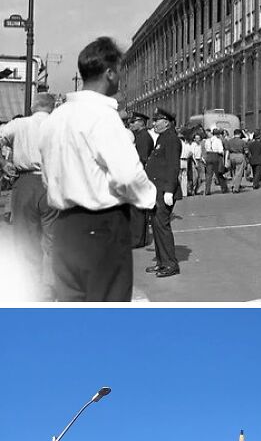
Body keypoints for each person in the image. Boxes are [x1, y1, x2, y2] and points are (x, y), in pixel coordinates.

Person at [39, 37, 156, 302]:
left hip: (65, 227)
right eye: (119, 72)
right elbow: (127, 175)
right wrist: (149, 198)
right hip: (102, 226)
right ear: (110, 73)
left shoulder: (55, 119)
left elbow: (48, 175)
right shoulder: (103, 116)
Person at [0, 92, 57, 298]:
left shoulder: (19, 124)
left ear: (33, 106)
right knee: (53, 239)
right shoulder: (61, 124)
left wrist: (3, 163)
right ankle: (51, 290)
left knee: (26, 239)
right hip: (54, 183)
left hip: (25, 182)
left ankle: (32, 288)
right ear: (52, 107)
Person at [145, 107, 181, 278]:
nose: (154, 123)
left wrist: (169, 190)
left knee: (162, 227)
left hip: (164, 190)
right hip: (156, 190)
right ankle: (161, 262)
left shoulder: (171, 139)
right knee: (157, 227)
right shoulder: (163, 138)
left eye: (156, 120)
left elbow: (173, 166)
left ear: (166, 122)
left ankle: (170, 264)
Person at [129, 112, 154, 249]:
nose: (131, 124)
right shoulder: (140, 136)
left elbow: (142, 158)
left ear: (141, 123)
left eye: (133, 122)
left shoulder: (143, 137)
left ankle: (137, 239)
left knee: (137, 209)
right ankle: (139, 238)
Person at [204, 129, 228, 195]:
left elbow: (206, 148)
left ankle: (207, 190)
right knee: (218, 173)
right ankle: (224, 188)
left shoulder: (207, 140)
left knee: (209, 174)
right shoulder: (218, 140)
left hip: (209, 155)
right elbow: (221, 150)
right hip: (216, 156)